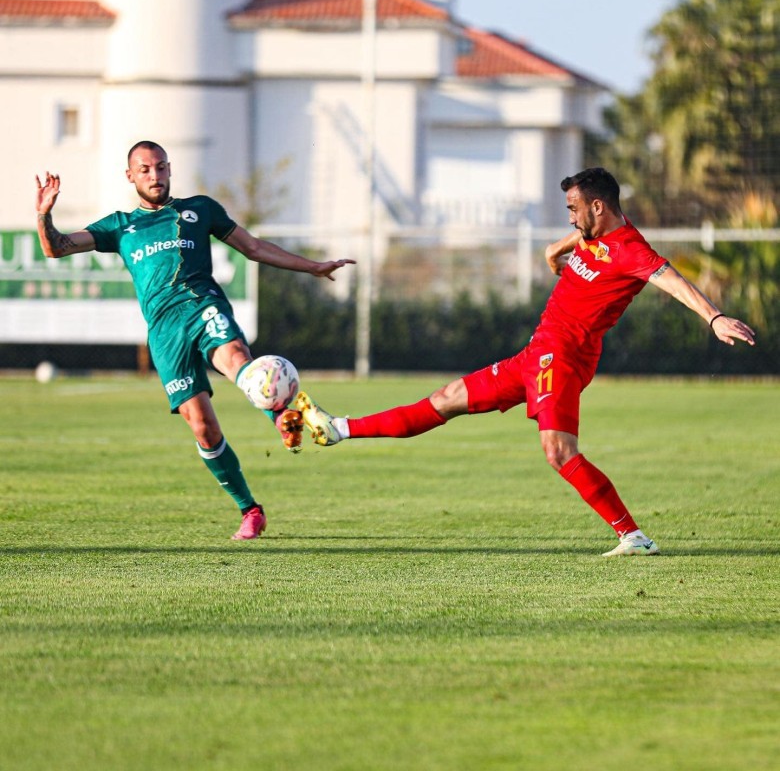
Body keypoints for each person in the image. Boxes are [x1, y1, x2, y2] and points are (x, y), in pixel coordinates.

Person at [295, 167, 756, 557]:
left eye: (574, 208)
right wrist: (556, 249)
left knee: (558, 452)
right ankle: (339, 429)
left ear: (597, 207)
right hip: (535, 356)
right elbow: (582, 239)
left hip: (563, 358)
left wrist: (714, 317)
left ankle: (632, 535)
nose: (570, 217)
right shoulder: (594, 231)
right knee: (446, 398)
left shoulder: (631, 249)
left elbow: (671, 279)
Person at [35, 140, 355, 540]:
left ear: (170, 169)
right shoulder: (119, 226)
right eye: (145, 170)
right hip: (164, 333)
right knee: (203, 427)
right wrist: (43, 215)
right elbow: (55, 248)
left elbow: (253, 247)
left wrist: (312, 267)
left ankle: (281, 418)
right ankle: (250, 510)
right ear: (130, 176)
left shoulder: (200, 209)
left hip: (202, 306)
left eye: (161, 167)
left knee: (237, 358)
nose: (155, 176)